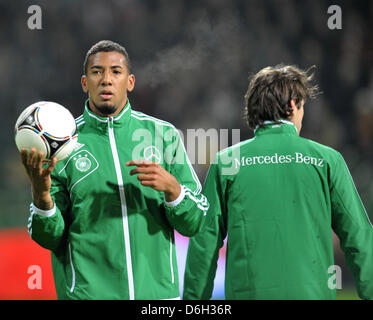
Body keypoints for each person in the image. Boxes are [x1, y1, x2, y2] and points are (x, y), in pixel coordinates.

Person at [21, 40, 209, 300]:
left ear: (130, 82)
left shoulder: (163, 135)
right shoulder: (60, 146)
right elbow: (49, 239)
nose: (106, 80)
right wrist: (42, 198)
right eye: (97, 72)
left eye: (116, 72)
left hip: (157, 297)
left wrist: (173, 190)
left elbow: (195, 222)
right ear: (85, 83)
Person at [183, 64, 373, 300]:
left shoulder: (227, 162)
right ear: (293, 105)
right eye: (303, 106)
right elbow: (359, 237)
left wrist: (193, 302)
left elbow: (204, 243)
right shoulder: (326, 160)